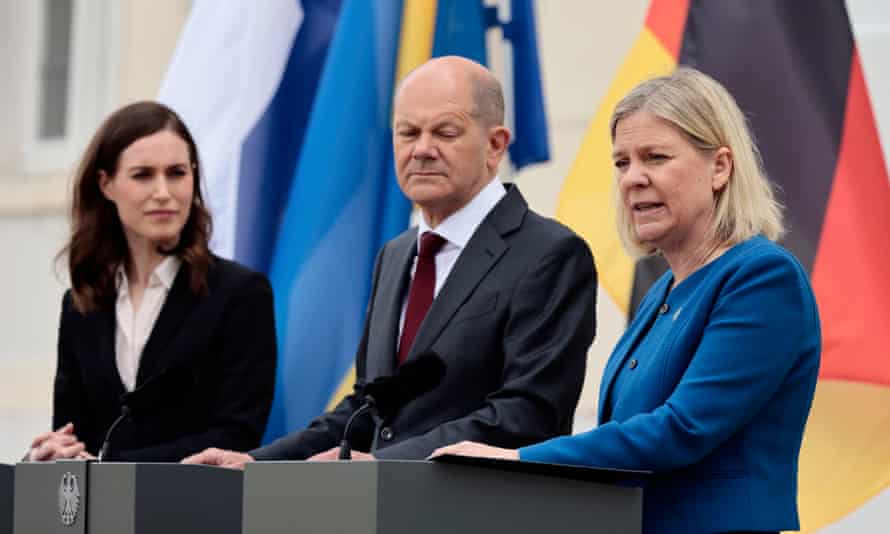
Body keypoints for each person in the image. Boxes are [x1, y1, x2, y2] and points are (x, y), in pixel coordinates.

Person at [432, 67, 821, 534]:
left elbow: (680, 430)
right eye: (622, 162)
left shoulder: (761, 278)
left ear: (720, 167)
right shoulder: (662, 290)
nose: (633, 179)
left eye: (655, 157)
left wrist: (517, 458)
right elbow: (624, 436)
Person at [183, 56, 597, 468]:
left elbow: (526, 414)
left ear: (495, 144)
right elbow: (370, 408)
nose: (422, 150)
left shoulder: (549, 253)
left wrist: (384, 464)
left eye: (445, 132)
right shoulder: (396, 254)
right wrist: (258, 462)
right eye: (407, 133)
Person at [26, 101, 277, 462]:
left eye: (176, 173)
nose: (163, 192)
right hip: (99, 514)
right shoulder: (82, 301)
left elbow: (237, 433)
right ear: (106, 184)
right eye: (143, 175)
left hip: (196, 509)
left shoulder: (240, 292)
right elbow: (71, 430)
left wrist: (109, 466)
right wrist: (51, 454)